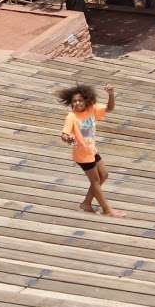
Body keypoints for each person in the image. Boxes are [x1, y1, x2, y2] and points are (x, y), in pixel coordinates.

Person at [58, 83, 125, 217]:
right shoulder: (71, 116)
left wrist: (111, 94)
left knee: (104, 175)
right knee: (95, 181)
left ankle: (87, 203)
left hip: (92, 150)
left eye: (80, 100)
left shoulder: (92, 109)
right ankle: (107, 209)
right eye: (74, 101)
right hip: (82, 154)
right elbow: (64, 134)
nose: (77, 103)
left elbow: (109, 108)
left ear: (86, 100)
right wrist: (68, 138)